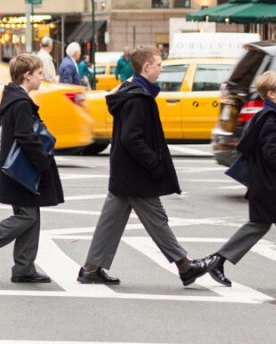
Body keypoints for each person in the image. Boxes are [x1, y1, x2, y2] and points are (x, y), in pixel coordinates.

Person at [77, 45, 208, 286]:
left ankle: (91, 268)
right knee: (156, 219)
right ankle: (185, 265)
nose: (161, 69)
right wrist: (153, 162)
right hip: (135, 172)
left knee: (111, 221)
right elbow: (131, 138)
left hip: (125, 170)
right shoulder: (139, 99)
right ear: (146, 67)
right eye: (158, 65)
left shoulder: (132, 93)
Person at [191, 71, 276, 292]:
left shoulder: (269, 116)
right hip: (275, 186)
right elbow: (272, 154)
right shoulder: (270, 118)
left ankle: (217, 261)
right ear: (271, 94)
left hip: (266, 185)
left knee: (258, 227)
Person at [0, 52, 64, 284]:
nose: (42, 77)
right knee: (26, 216)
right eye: (39, 73)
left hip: (21, 169)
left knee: (31, 215)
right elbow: (25, 136)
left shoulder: (16, 98)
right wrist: (42, 161)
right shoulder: (20, 103)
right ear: (27, 75)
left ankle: (24, 267)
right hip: (23, 170)